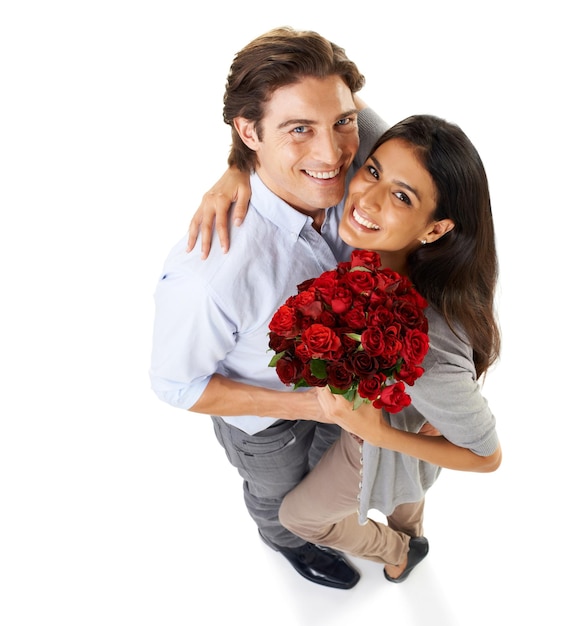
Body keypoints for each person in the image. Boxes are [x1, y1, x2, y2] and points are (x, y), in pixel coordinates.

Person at [192, 115, 502, 584]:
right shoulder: (375, 194)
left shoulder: (429, 338)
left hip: (377, 437)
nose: (367, 199)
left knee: (299, 517)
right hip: (386, 429)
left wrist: (376, 433)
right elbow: (325, 93)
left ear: (435, 230)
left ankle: (399, 550)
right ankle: (410, 528)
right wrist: (240, 164)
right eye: (373, 171)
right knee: (408, 489)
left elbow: (487, 456)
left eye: (402, 197)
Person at [149, 26, 389, 590]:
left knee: (329, 478)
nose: (332, 154)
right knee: (278, 498)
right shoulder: (209, 274)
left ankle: (326, 517)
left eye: (342, 123)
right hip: (267, 426)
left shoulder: (361, 154)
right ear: (248, 131)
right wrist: (310, 405)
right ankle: (285, 541)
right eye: (298, 130)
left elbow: (361, 123)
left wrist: (238, 163)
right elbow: (175, 385)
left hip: (339, 389)